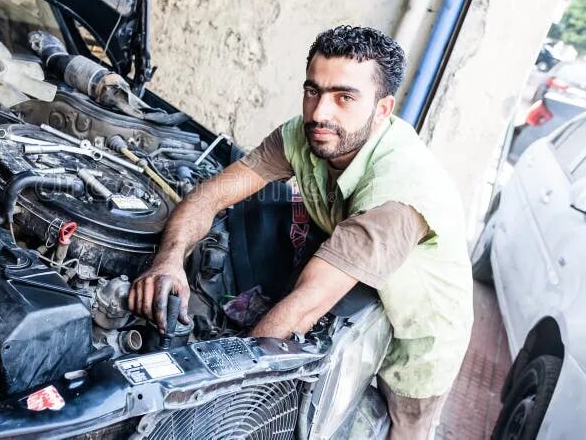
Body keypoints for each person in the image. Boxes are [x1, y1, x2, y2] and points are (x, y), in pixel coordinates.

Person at [127, 25, 473, 440]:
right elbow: (210, 196)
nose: (320, 112)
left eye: (344, 97)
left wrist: (212, 409)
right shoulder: (305, 134)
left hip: (417, 336)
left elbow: (305, 306)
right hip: (356, 291)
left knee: (402, 428)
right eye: (313, 91)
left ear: (383, 109)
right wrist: (167, 261)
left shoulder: (397, 195)